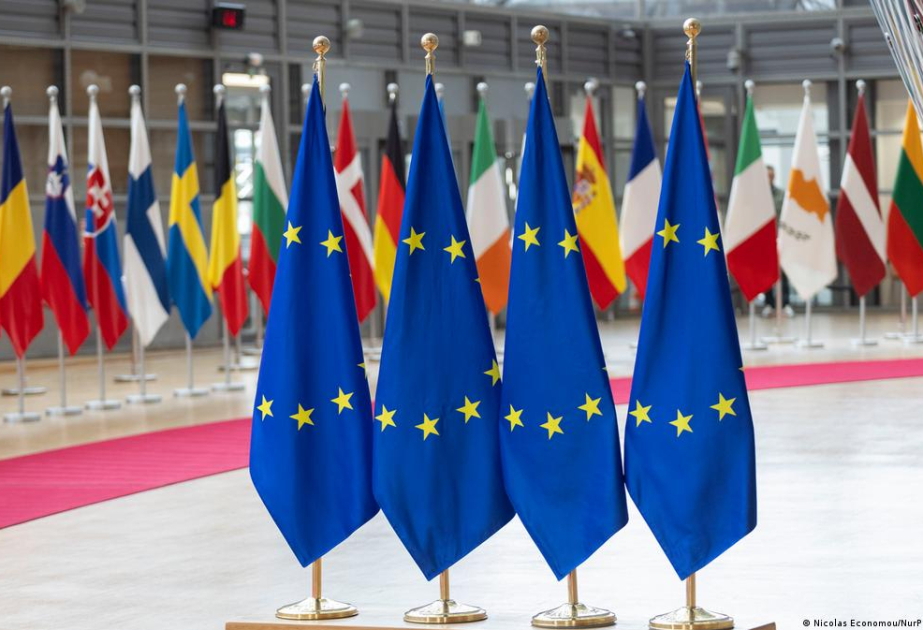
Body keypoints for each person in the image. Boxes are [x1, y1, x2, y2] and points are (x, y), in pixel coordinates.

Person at [763, 164, 795, 318]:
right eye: (767, 175)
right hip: (764, 241)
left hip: (780, 238)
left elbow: (785, 215)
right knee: (766, 272)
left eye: (771, 175)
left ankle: (785, 304)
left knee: (783, 272)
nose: (769, 178)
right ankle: (769, 304)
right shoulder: (758, 196)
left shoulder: (781, 195)